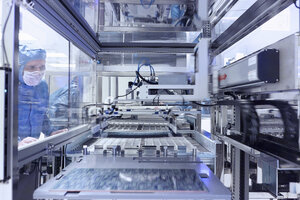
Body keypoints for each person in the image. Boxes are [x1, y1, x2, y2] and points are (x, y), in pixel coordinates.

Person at [18, 46, 66, 146]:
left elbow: (41, 115)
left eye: (42, 67)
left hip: (31, 146)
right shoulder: (7, 85)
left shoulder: (42, 86)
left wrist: (50, 132)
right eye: (32, 67)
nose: (38, 71)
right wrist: (15, 142)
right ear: (20, 67)